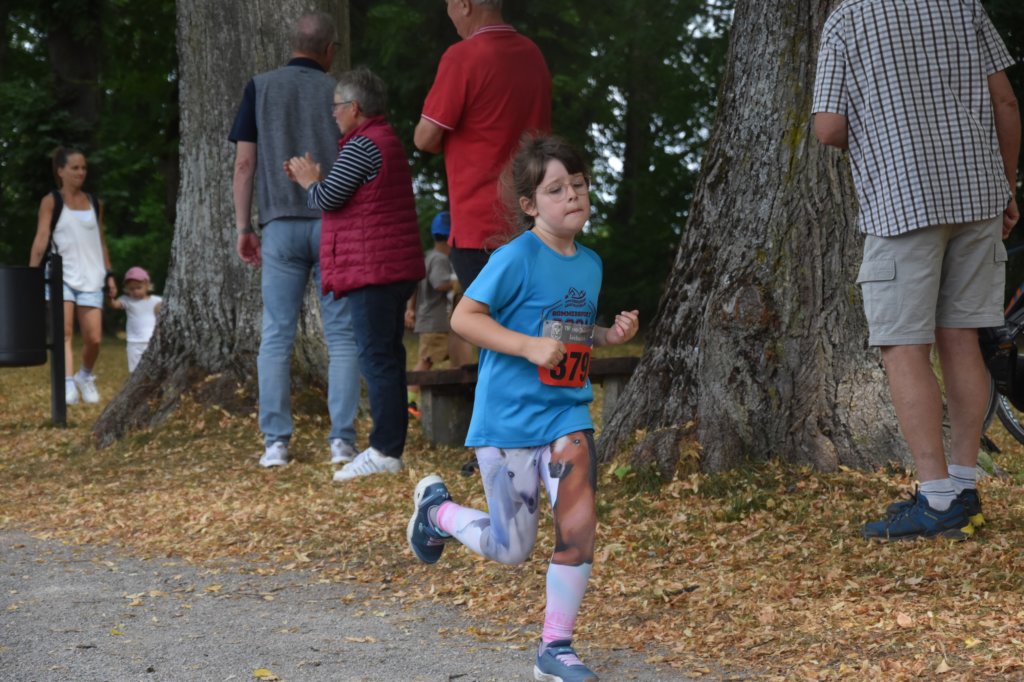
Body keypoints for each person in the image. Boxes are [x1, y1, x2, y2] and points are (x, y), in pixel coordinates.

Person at [406, 136, 640, 682]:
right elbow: (465, 318)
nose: (572, 196)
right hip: (508, 422)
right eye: (556, 189)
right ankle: (437, 514)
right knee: (511, 549)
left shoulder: (590, 263)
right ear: (531, 205)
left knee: (579, 524)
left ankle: (555, 648)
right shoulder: (515, 257)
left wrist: (607, 336)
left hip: (566, 415)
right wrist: (528, 347)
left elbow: (569, 329)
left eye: (578, 185)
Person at [812, 0, 1020, 540]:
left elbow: (828, 128)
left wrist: (883, 122)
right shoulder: (964, 5)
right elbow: (1005, 100)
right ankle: (964, 487)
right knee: (961, 338)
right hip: (979, 195)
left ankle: (936, 499)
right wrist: (1007, 186)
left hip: (902, 201)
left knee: (903, 345)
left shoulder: (848, 19)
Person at [228, 11, 361, 470]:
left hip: (279, 225)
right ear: (329, 50)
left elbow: (244, 165)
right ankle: (342, 442)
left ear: (293, 44)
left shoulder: (260, 87)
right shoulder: (342, 92)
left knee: (276, 334)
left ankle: (276, 443)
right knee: (341, 335)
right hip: (332, 223)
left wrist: (244, 227)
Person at [285, 67, 425, 482]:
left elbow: (329, 197)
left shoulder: (363, 145)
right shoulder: (382, 140)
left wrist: (310, 181)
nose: (333, 114)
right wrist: (314, 180)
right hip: (390, 267)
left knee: (377, 359)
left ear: (355, 107)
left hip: (374, 269)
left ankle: (384, 450)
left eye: (336, 106)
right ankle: (389, 446)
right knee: (388, 357)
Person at [414, 0, 551, 290]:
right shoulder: (533, 55)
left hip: (479, 228)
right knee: (527, 315)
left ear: (464, 5)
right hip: (532, 221)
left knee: (486, 318)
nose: (448, 12)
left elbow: (424, 138)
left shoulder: (462, 57)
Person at [29, 146, 116, 405]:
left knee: (94, 338)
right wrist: (32, 277)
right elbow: (41, 239)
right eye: (75, 168)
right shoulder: (51, 201)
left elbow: (100, 241)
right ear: (61, 171)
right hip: (61, 276)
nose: (81, 172)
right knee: (64, 333)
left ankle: (84, 376)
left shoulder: (94, 203)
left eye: (84, 168)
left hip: (92, 277)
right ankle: (66, 383)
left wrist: (109, 274)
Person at [405, 211, 456, 417]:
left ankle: (416, 400)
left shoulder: (428, 257)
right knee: (427, 361)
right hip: (435, 321)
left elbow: (415, 286)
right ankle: (409, 401)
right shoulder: (440, 259)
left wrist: (410, 309)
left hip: (430, 318)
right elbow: (439, 283)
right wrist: (459, 282)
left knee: (435, 358)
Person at [107, 266, 162, 373]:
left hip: (152, 342)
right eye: (131, 289)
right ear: (127, 289)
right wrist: (110, 298)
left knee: (154, 369)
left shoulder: (156, 301)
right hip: (134, 343)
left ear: (147, 285)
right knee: (135, 371)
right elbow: (114, 305)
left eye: (138, 287)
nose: (135, 291)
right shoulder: (127, 300)